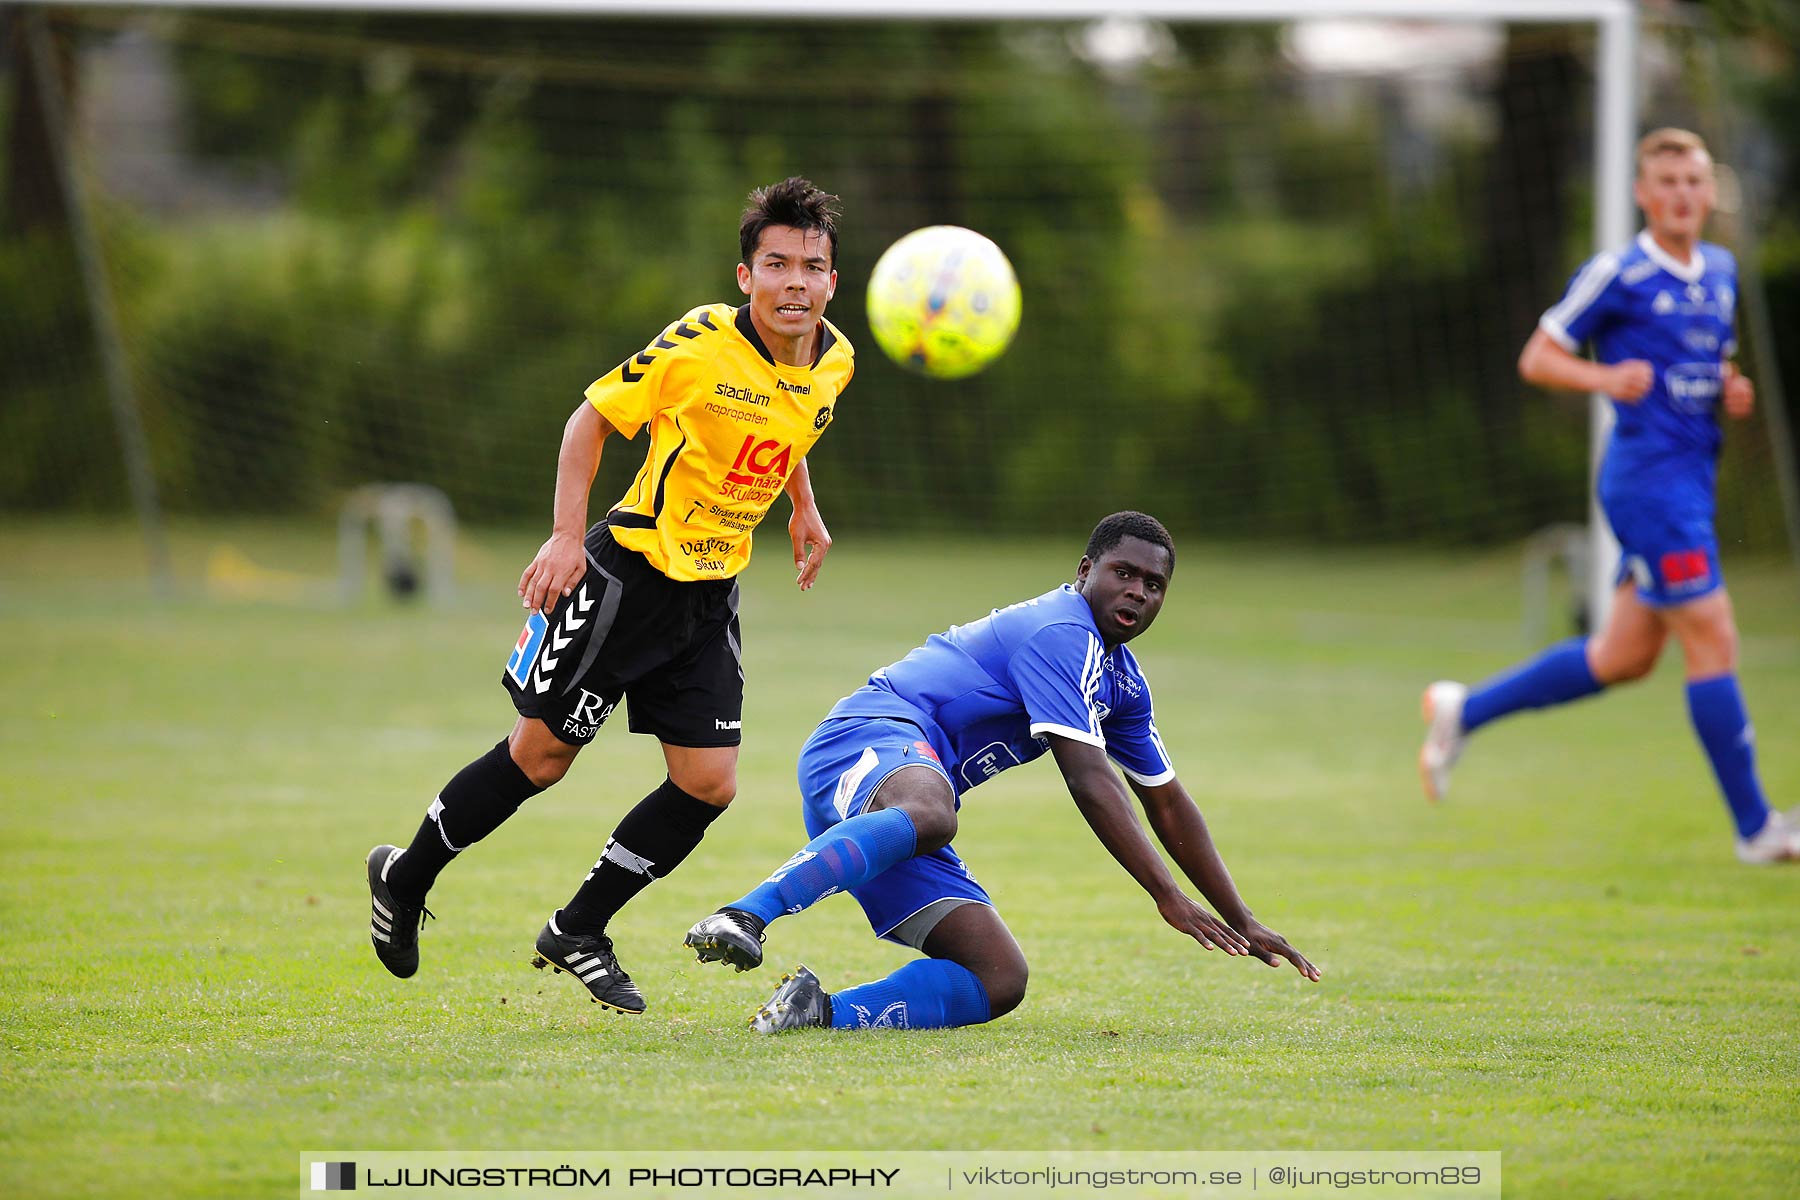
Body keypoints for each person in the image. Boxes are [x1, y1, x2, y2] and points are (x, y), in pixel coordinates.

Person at [365, 177, 855, 1011]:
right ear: (746, 276)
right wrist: (563, 538)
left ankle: (577, 927)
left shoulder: (834, 358)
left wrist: (803, 507)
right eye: (777, 264)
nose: (796, 282)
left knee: (709, 783)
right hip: (626, 579)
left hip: (709, 598)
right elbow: (588, 420)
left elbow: (792, 422)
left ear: (832, 281)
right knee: (540, 760)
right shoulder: (698, 345)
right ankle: (404, 878)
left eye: (812, 265)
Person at [683, 512, 1319, 1032]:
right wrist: (1165, 894)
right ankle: (745, 915)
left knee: (997, 978)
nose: (1138, 592)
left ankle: (815, 1013)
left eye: (1153, 585)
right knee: (935, 813)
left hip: (904, 811)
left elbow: (1169, 804)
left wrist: (1241, 917)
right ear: (1084, 571)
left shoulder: (1121, 683)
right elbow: (1090, 780)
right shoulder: (1060, 632)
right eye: (1124, 573)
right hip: (868, 740)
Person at [1419, 129, 1795, 864]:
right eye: (1669, 182)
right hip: (1648, 488)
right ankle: (1757, 829)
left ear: (1709, 191)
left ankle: (1463, 711)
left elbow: (1706, 361)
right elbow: (1539, 356)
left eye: (1694, 181)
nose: (1684, 195)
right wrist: (1603, 380)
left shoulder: (1719, 270)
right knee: (1714, 636)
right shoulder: (1617, 272)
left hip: (1690, 484)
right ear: (1643, 195)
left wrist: (1730, 388)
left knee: (1623, 658)